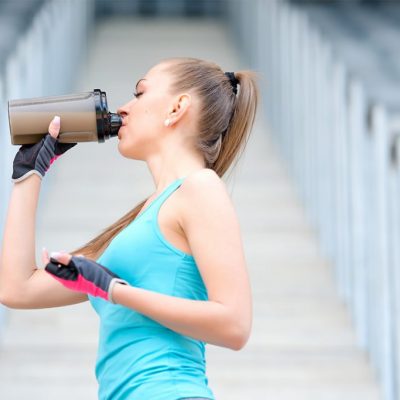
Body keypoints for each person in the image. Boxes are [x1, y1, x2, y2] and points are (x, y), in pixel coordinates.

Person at [0, 57, 259, 400]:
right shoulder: (139, 224)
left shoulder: (201, 187)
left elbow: (235, 325)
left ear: (178, 107)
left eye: (139, 93)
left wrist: (115, 290)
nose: (123, 108)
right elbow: (17, 289)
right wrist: (30, 174)